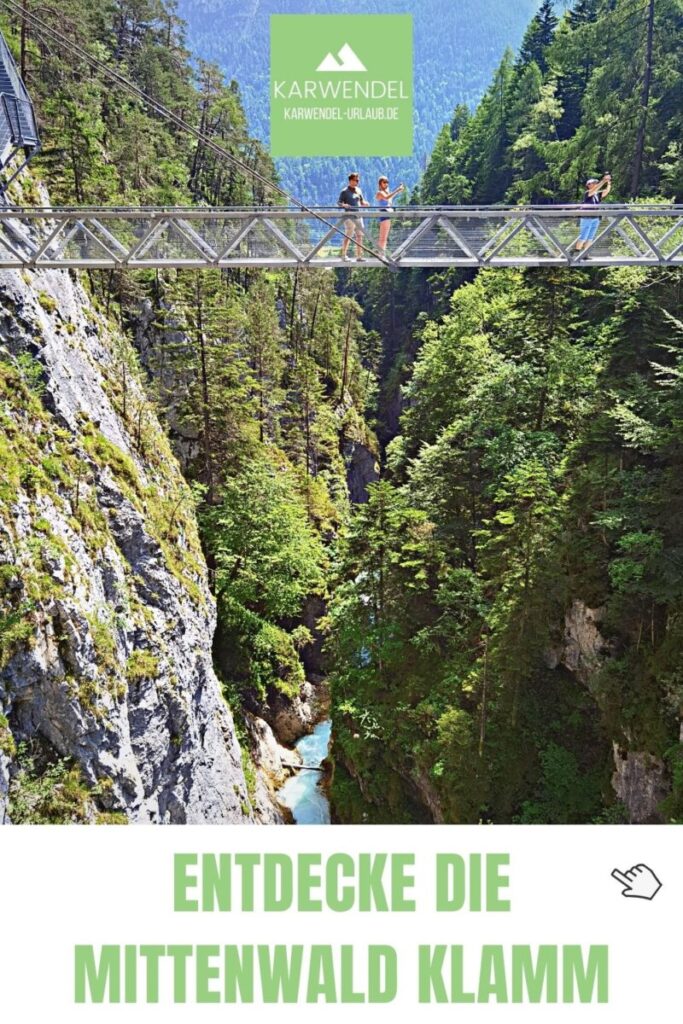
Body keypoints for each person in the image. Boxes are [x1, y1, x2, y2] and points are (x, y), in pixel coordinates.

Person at [575, 173, 612, 251]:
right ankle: (576, 253)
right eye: (594, 183)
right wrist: (603, 181)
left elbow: (607, 191)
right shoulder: (587, 193)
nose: (596, 184)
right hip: (586, 217)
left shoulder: (597, 195)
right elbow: (595, 189)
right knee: (583, 236)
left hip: (595, 218)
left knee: (590, 237)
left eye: (596, 183)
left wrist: (608, 182)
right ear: (588, 185)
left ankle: (585, 254)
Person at [338, 172, 369, 261]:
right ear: (350, 180)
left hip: (358, 216)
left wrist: (365, 203)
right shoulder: (344, 191)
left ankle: (359, 256)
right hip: (349, 217)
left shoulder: (358, 190)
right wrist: (344, 205)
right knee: (348, 235)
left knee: (359, 236)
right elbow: (339, 203)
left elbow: (362, 201)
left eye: (358, 180)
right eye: (356, 180)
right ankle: (344, 255)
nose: (357, 182)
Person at [375, 176, 405, 253]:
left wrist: (398, 191)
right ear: (380, 184)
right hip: (384, 213)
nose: (386, 184)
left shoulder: (385, 192)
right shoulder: (380, 192)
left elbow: (389, 198)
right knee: (383, 236)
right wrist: (397, 190)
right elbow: (387, 198)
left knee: (384, 236)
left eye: (387, 182)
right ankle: (381, 253)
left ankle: (382, 253)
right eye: (384, 182)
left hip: (387, 213)